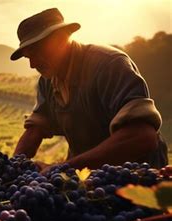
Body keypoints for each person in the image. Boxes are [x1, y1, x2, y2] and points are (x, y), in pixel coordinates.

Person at [11, 8, 168, 171]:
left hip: (135, 177)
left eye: (37, 53)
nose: (32, 64)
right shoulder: (48, 80)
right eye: (29, 57)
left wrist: (63, 168)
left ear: (61, 39)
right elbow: (36, 128)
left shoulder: (109, 65)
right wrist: (13, 166)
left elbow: (142, 136)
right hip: (88, 178)